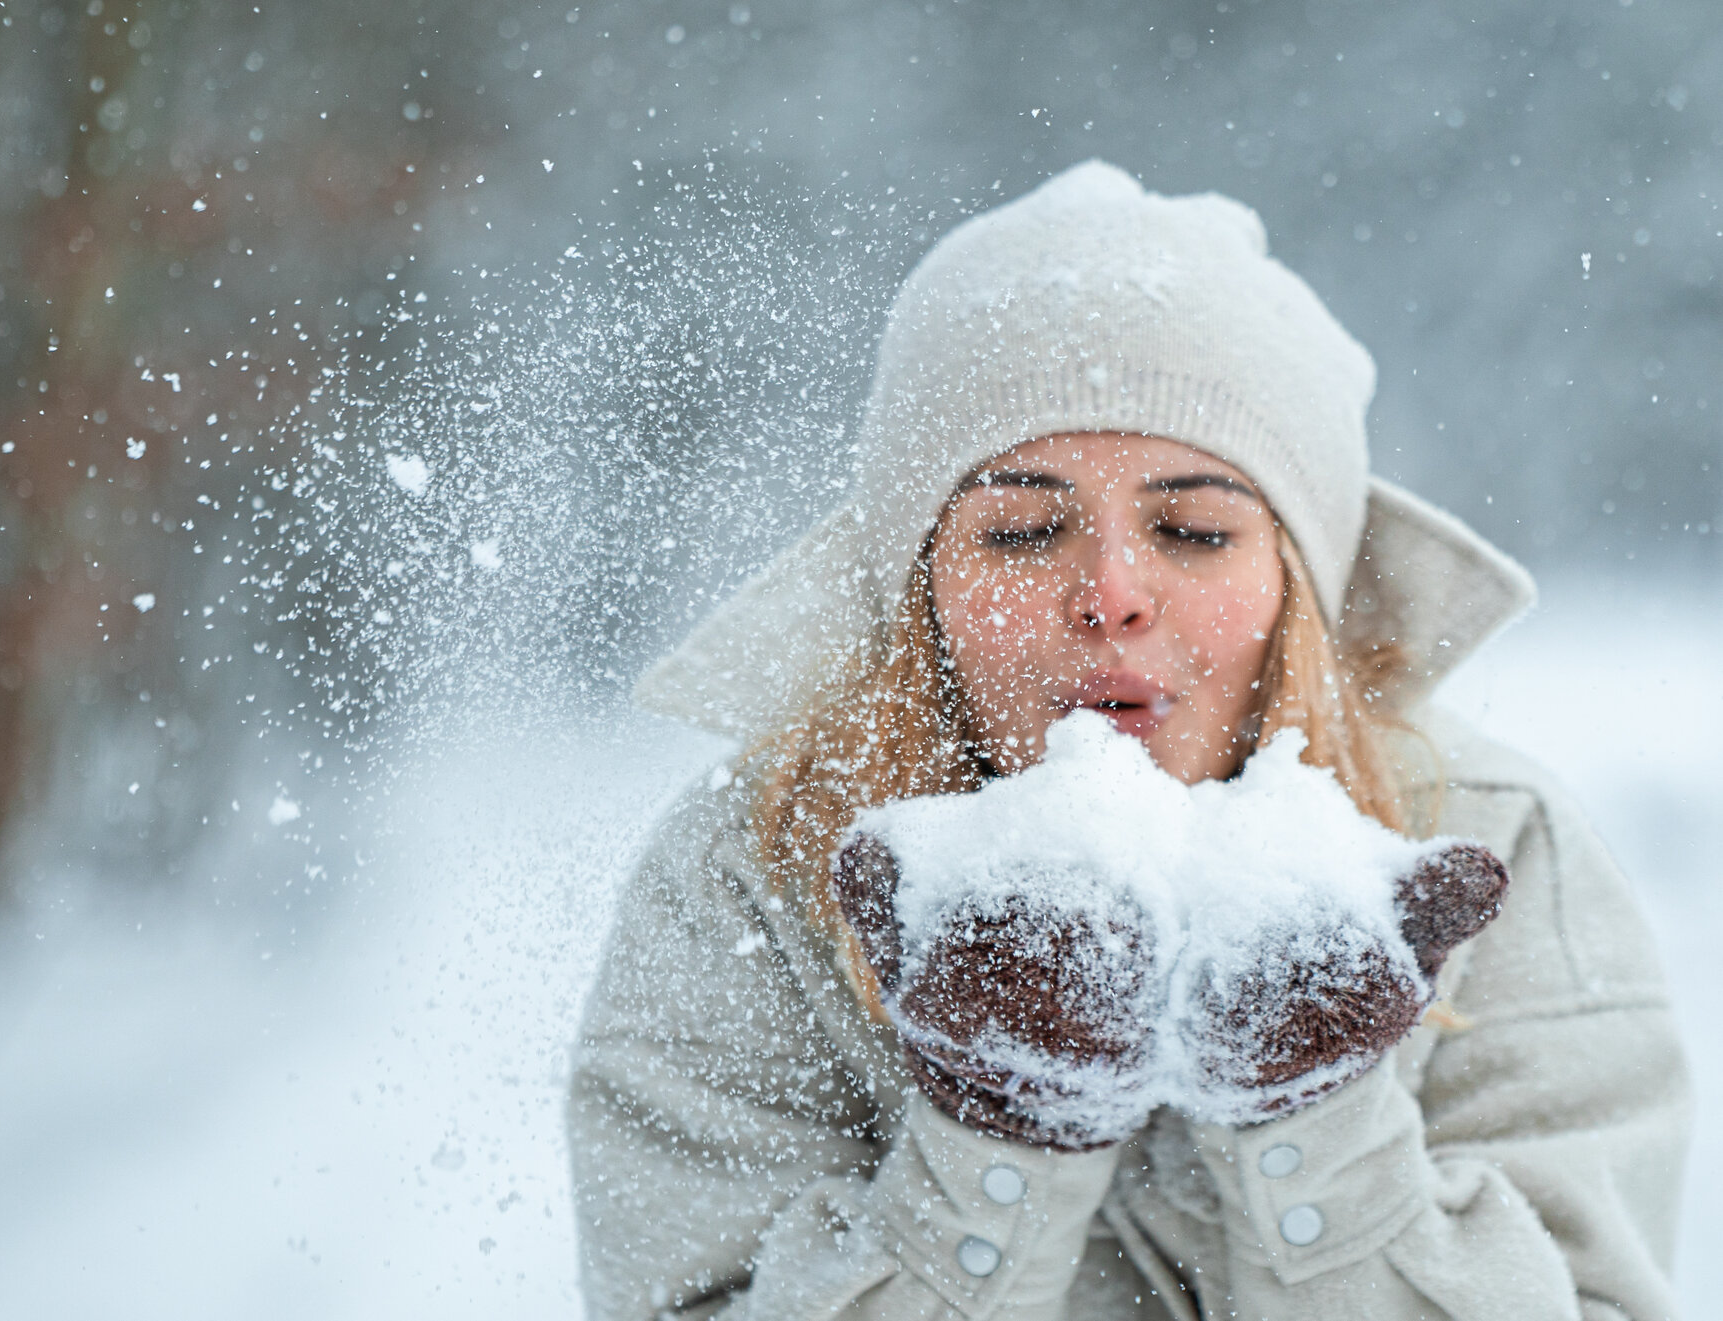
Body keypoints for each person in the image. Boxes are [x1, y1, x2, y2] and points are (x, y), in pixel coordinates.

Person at [567, 161, 1690, 1320]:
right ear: (920, 589)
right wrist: (999, 1137)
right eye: (1020, 530)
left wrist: (1320, 1125)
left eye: (1194, 530)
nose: (1109, 592)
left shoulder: (1493, 843)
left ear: (1296, 578)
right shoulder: (755, 872)